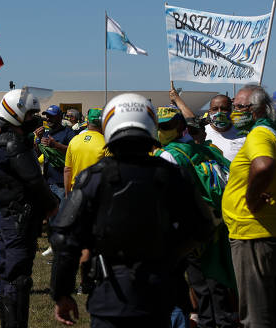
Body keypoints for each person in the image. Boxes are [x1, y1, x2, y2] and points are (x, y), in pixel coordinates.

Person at [49, 93, 215, 327]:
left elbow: (64, 238)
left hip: (110, 296)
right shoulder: (172, 175)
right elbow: (202, 227)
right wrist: (170, 254)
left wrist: (62, 293)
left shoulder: (94, 177)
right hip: (159, 294)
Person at [222, 84, 276, 327]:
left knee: (257, 315)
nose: (233, 112)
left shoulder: (261, 134)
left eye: (239, 107)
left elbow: (263, 165)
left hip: (254, 234)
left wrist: (251, 198)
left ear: (258, 109)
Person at [154, 105, 236, 328]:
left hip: (188, 229)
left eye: (166, 126)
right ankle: (224, 320)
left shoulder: (168, 155)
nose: (162, 130)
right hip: (216, 223)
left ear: (179, 127)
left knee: (199, 281)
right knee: (217, 277)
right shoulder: (206, 150)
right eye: (159, 127)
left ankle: (209, 322)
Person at [0, 88, 60, 328]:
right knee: (17, 277)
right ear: (16, 113)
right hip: (19, 217)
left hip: (8, 213)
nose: (34, 118)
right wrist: (52, 207)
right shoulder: (13, 144)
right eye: (29, 114)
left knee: (9, 273)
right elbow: (34, 181)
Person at [63, 108, 109, 194]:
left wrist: (67, 193)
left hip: (76, 192)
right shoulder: (106, 143)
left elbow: (67, 169)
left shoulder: (74, 140)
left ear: (87, 123)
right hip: (96, 194)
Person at [36, 105, 77, 201]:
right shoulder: (45, 133)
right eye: (47, 116)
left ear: (59, 117)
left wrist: (56, 145)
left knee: (60, 214)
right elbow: (37, 154)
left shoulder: (68, 133)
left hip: (61, 183)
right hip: (47, 182)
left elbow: (73, 152)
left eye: (51, 116)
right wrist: (38, 139)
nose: (48, 119)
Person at [203, 94, 245, 163]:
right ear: (209, 112)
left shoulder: (243, 135)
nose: (219, 112)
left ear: (231, 111)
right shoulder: (201, 133)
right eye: (215, 109)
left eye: (224, 109)